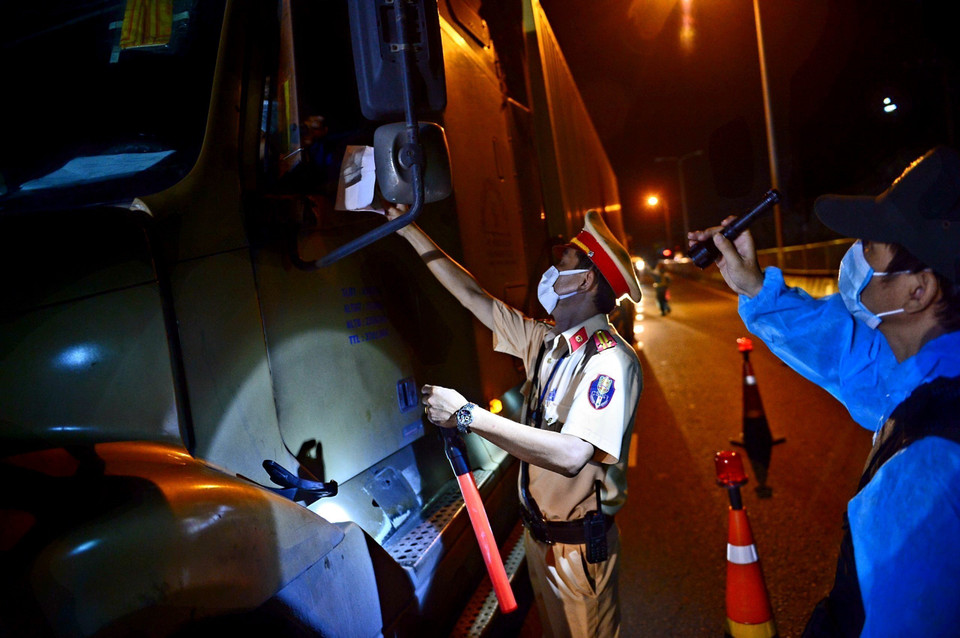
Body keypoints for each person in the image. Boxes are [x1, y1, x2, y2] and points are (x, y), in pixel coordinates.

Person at [688, 146, 960, 637]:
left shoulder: (927, 464)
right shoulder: (921, 372)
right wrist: (753, 285)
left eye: (872, 244)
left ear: (918, 291)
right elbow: (842, 347)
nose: (855, 254)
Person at [386, 205, 643, 637]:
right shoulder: (545, 342)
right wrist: (407, 228)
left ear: (584, 280)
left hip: (579, 552)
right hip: (540, 541)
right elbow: (472, 296)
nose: (551, 267)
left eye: (562, 261)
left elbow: (572, 454)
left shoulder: (609, 361)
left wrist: (468, 416)